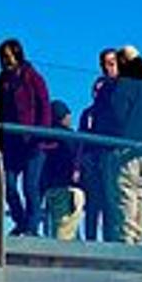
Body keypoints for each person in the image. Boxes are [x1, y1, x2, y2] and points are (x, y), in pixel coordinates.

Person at [98, 46, 142, 246]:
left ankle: (128, 247)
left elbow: (118, 116)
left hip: (126, 150)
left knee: (125, 197)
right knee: (141, 199)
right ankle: (140, 244)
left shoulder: (125, 86)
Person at [0, 38, 51, 237]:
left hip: (33, 142)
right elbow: (1, 110)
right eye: (2, 57)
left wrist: (40, 134)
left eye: (8, 56)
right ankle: (20, 221)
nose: (5, 61)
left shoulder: (33, 77)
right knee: (9, 185)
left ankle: (32, 227)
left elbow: (44, 106)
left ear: (17, 56)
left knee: (30, 186)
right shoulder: (2, 80)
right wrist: (0, 137)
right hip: (12, 142)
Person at [78, 48, 120, 241]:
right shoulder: (87, 114)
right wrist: (80, 164)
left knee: (110, 200)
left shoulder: (119, 97)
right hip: (92, 161)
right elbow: (82, 139)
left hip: (110, 156)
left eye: (111, 64)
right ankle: (91, 239)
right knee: (93, 202)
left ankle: (111, 239)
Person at [38, 99, 86, 241]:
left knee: (58, 226)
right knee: (66, 230)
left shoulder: (45, 138)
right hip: (68, 188)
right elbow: (76, 160)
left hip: (51, 188)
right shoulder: (71, 138)